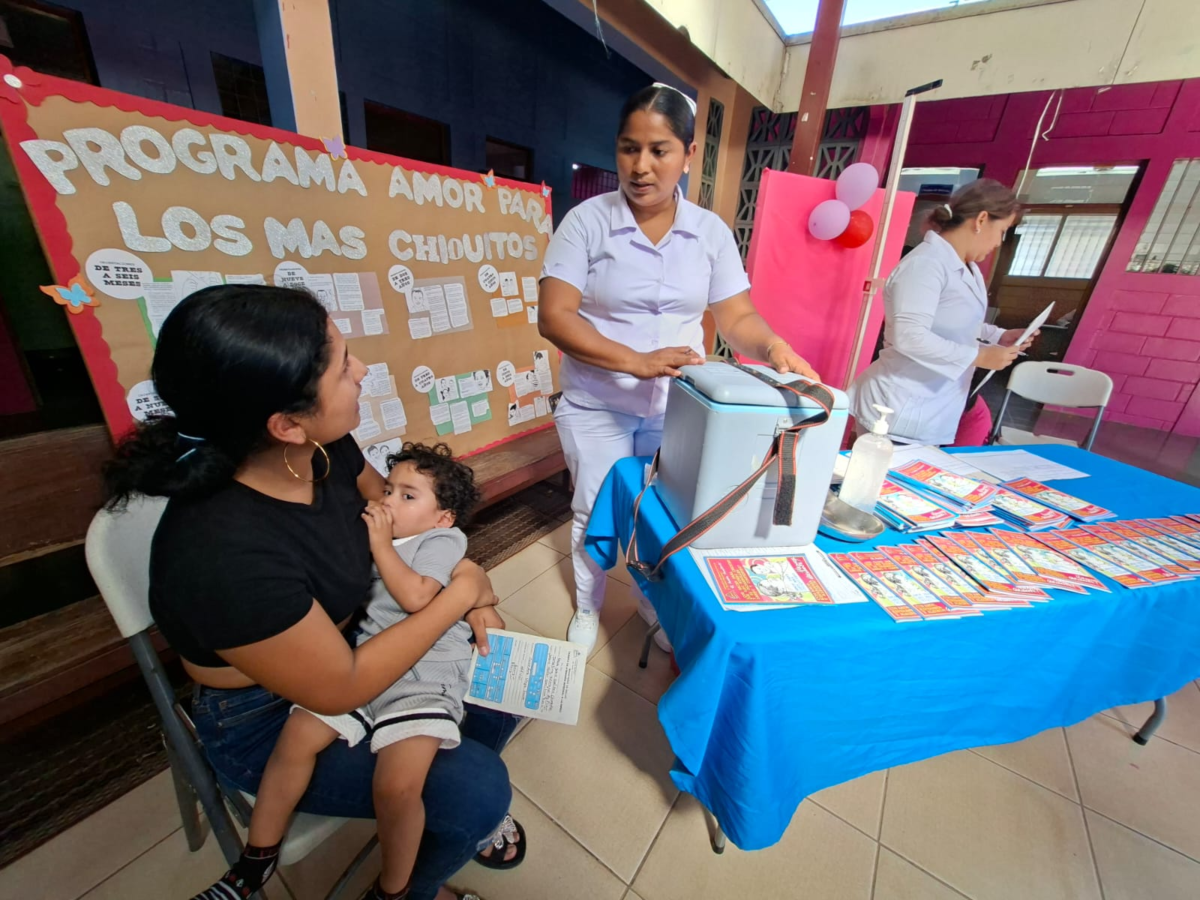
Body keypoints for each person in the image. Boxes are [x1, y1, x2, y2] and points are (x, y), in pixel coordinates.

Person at [105, 285, 523, 900]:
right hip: (265, 713)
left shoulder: (325, 448)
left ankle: (441, 804)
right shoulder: (221, 554)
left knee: (505, 678)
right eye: (343, 364)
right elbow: (342, 683)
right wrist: (463, 593)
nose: (361, 370)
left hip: (355, 636)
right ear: (285, 424)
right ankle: (408, 883)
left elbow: (403, 525)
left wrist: (467, 586)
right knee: (479, 791)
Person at [537, 83, 818, 651]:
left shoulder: (710, 233)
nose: (641, 167)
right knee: (595, 505)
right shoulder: (587, 222)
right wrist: (634, 362)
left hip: (676, 407)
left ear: (688, 154)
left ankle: (651, 602)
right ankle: (588, 607)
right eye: (628, 148)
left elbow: (736, 316)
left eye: (659, 150)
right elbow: (555, 316)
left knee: (665, 509)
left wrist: (773, 347)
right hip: (598, 401)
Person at [851, 179, 1035, 446]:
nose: (998, 242)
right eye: (1002, 230)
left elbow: (954, 319)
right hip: (899, 407)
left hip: (932, 406)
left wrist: (999, 335)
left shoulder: (965, 266)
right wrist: (979, 355)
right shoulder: (925, 265)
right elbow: (910, 336)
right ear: (981, 220)